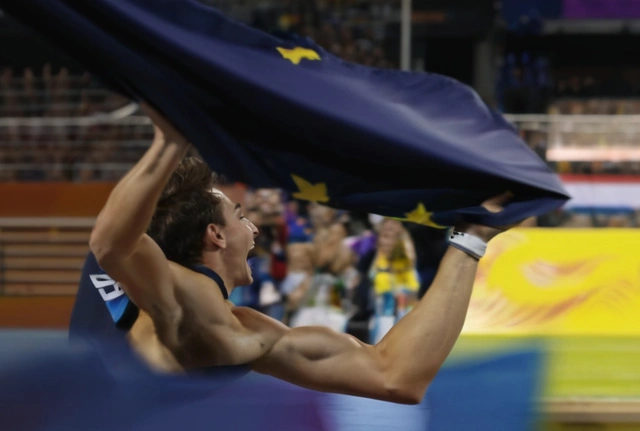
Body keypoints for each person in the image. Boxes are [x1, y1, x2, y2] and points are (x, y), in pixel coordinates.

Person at [87, 104, 514, 404]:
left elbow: (396, 377)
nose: (254, 228)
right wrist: (171, 141)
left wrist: (472, 239)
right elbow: (111, 243)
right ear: (216, 235)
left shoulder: (244, 331)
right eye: (240, 216)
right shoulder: (181, 297)